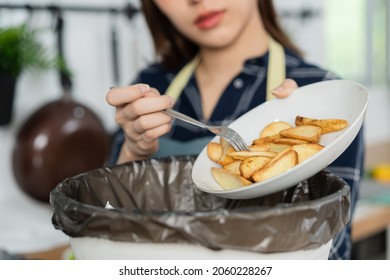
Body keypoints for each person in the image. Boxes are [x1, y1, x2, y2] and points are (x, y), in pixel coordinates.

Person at [106, 0, 364, 260]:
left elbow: (334, 254)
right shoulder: (150, 88)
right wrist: (133, 153)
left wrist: (300, 172)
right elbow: (105, 228)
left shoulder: (324, 96)